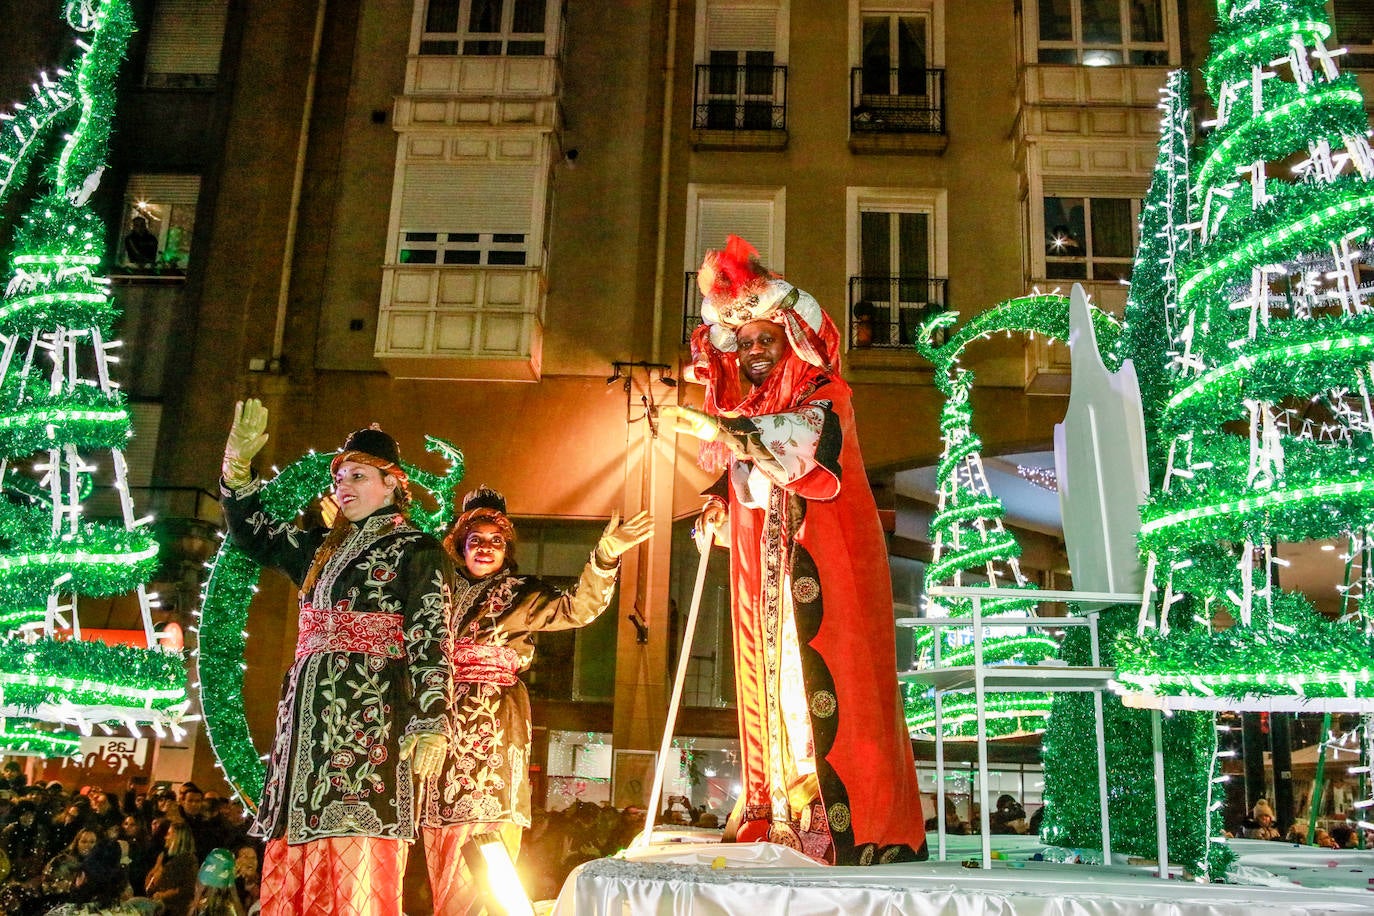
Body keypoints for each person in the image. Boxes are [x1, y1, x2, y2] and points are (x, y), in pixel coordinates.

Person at [659, 235, 927, 866]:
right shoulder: (746, 421)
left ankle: (843, 825)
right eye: (744, 343)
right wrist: (718, 504)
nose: (753, 353)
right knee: (771, 693)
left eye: (765, 340)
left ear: (790, 341)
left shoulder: (826, 399)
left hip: (824, 587)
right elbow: (746, 482)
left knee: (826, 695)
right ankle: (778, 811)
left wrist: (727, 432)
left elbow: (804, 447)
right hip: (766, 592)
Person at [219, 400, 454, 915]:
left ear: (393, 483)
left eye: (359, 475)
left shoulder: (419, 550)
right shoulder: (323, 548)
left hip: (368, 726)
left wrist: (431, 719)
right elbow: (254, 533)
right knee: (295, 844)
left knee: (357, 855)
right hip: (304, 731)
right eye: (340, 477)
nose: (344, 485)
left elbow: (431, 639)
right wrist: (237, 468)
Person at [419, 486, 653, 914]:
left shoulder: (521, 593)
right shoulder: (435, 595)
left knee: (489, 838)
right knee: (441, 839)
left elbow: (578, 609)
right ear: (459, 546)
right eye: (476, 540)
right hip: (441, 719)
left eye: (496, 541)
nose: (486, 548)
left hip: (495, 723)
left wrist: (605, 555)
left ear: (507, 549)